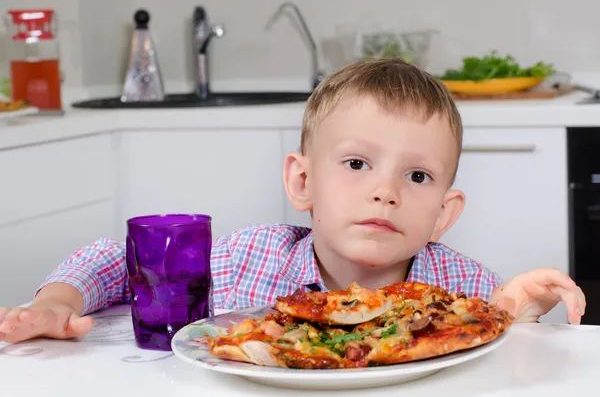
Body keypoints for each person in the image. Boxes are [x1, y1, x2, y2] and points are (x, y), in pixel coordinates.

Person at [0, 58, 586, 344]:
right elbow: (116, 261)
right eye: (357, 164)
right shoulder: (248, 262)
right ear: (302, 183)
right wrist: (55, 301)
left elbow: (498, 357)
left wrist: (514, 314)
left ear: (444, 213)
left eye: (417, 176)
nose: (385, 190)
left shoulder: (462, 288)